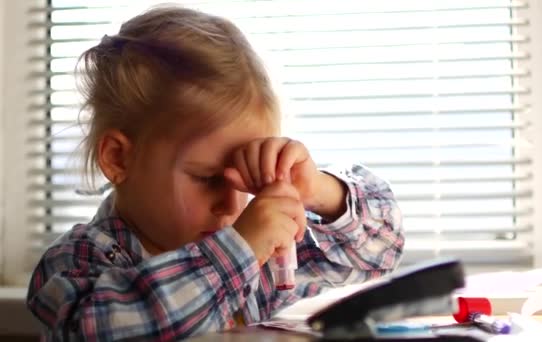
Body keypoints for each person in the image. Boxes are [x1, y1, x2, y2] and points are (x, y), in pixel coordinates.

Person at [26, 6, 405, 341]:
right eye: (207, 179)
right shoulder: (77, 261)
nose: (231, 203)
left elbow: (379, 254)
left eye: (246, 180)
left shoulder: (263, 250)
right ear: (119, 159)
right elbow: (102, 330)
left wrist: (318, 191)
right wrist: (238, 251)